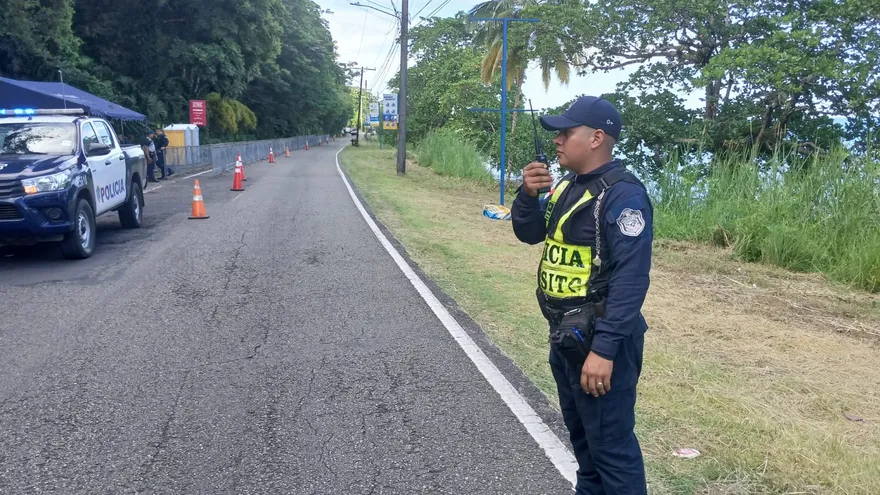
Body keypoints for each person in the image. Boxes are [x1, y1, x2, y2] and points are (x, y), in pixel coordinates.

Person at [511, 96, 652, 494]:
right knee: (586, 449)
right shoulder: (567, 188)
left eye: (566, 132)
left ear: (596, 138)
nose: (557, 140)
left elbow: (631, 279)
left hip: (600, 343)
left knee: (612, 452)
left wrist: (604, 350)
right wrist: (527, 196)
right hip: (567, 338)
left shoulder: (623, 196)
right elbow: (530, 233)